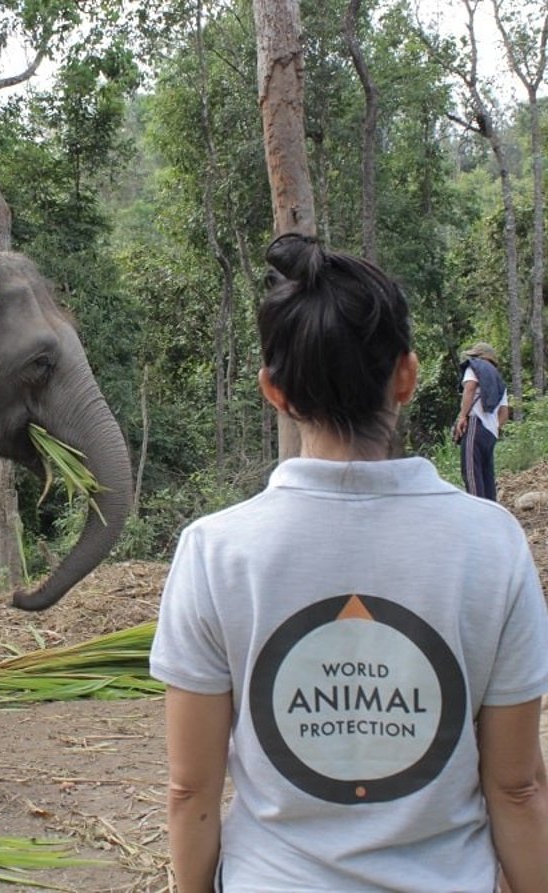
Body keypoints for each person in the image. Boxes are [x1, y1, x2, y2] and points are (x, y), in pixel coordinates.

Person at [150, 233, 548, 892]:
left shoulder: (216, 550)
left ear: (273, 390)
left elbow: (189, 787)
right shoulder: (492, 543)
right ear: (408, 376)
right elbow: (518, 785)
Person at [454, 341, 510, 501]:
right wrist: (492, 427)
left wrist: (463, 416)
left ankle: (477, 516)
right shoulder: (499, 380)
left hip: (475, 425)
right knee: (487, 476)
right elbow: (504, 413)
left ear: (478, 356)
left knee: (471, 473)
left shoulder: (475, 367)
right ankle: (492, 515)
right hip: (491, 433)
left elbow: (470, 388)